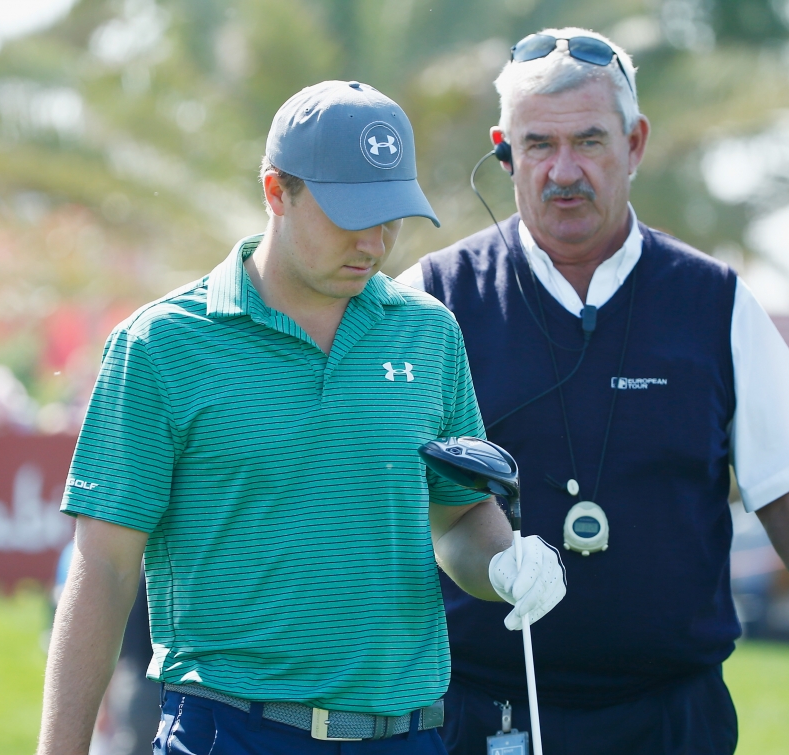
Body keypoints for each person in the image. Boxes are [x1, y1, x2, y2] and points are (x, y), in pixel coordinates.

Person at [397, 28, 789, 755]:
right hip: (479, 717)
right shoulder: (430, 304)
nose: (563, 170)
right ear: (504, 151)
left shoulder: (715, 300)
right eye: (538, 145)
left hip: (673, 720)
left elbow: (787, 476)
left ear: (636, 143)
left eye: (590, 141)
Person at [36, 80, 566, 755]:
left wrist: (504, 563)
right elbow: (105, 567)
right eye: (352, 215)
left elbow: (458, 514)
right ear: (276, 192)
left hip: (408, 733)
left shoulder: (428, 333)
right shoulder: (161, 345)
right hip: (231, 731)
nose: (375, 243)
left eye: (392, 216)